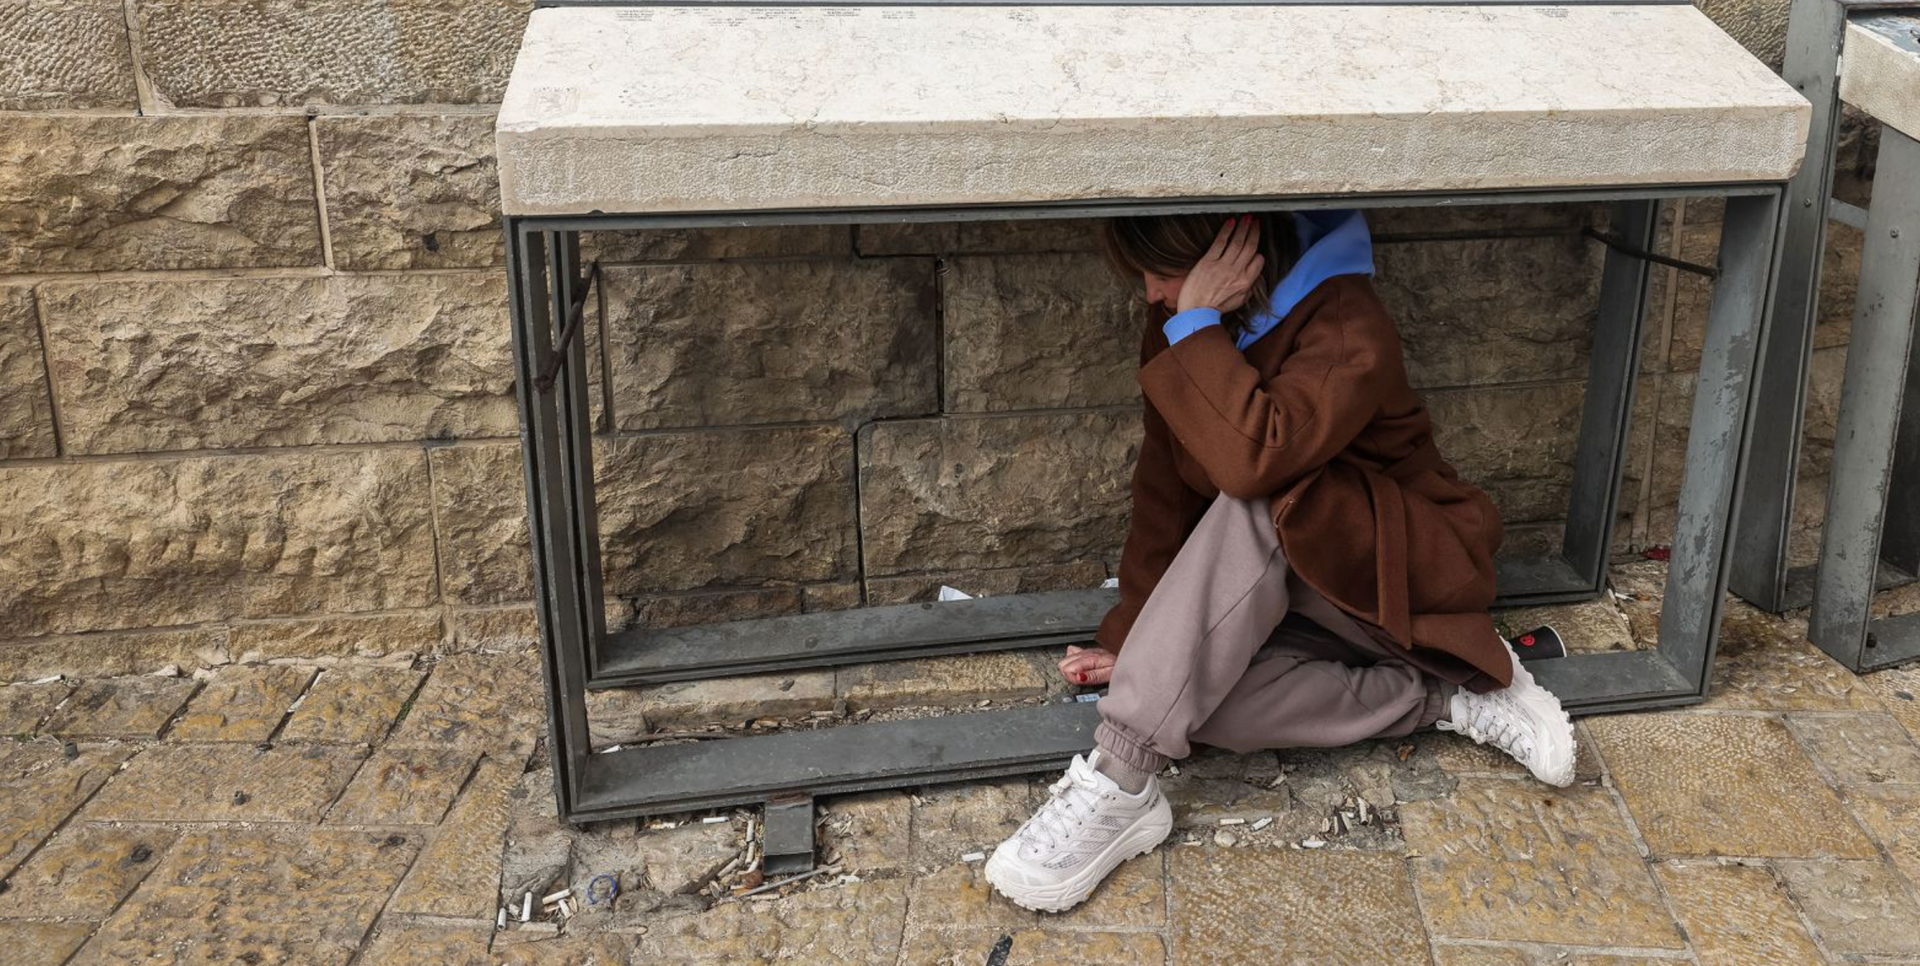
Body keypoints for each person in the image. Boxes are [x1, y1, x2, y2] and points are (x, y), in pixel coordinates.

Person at [983, 210, 1578, 914]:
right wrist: (1139, 641)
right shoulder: (1186, 317)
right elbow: (1165, 492)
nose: (1149, 294)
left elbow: (1251, 461)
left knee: (1259, 497)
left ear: (1236, 254)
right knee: (1190, 703)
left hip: (1407, 578)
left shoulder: (1345, 324)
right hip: (1303, 596)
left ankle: (1122, 777)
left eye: (1162, 274)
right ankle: (1442, 698)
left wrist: (1197, 323)